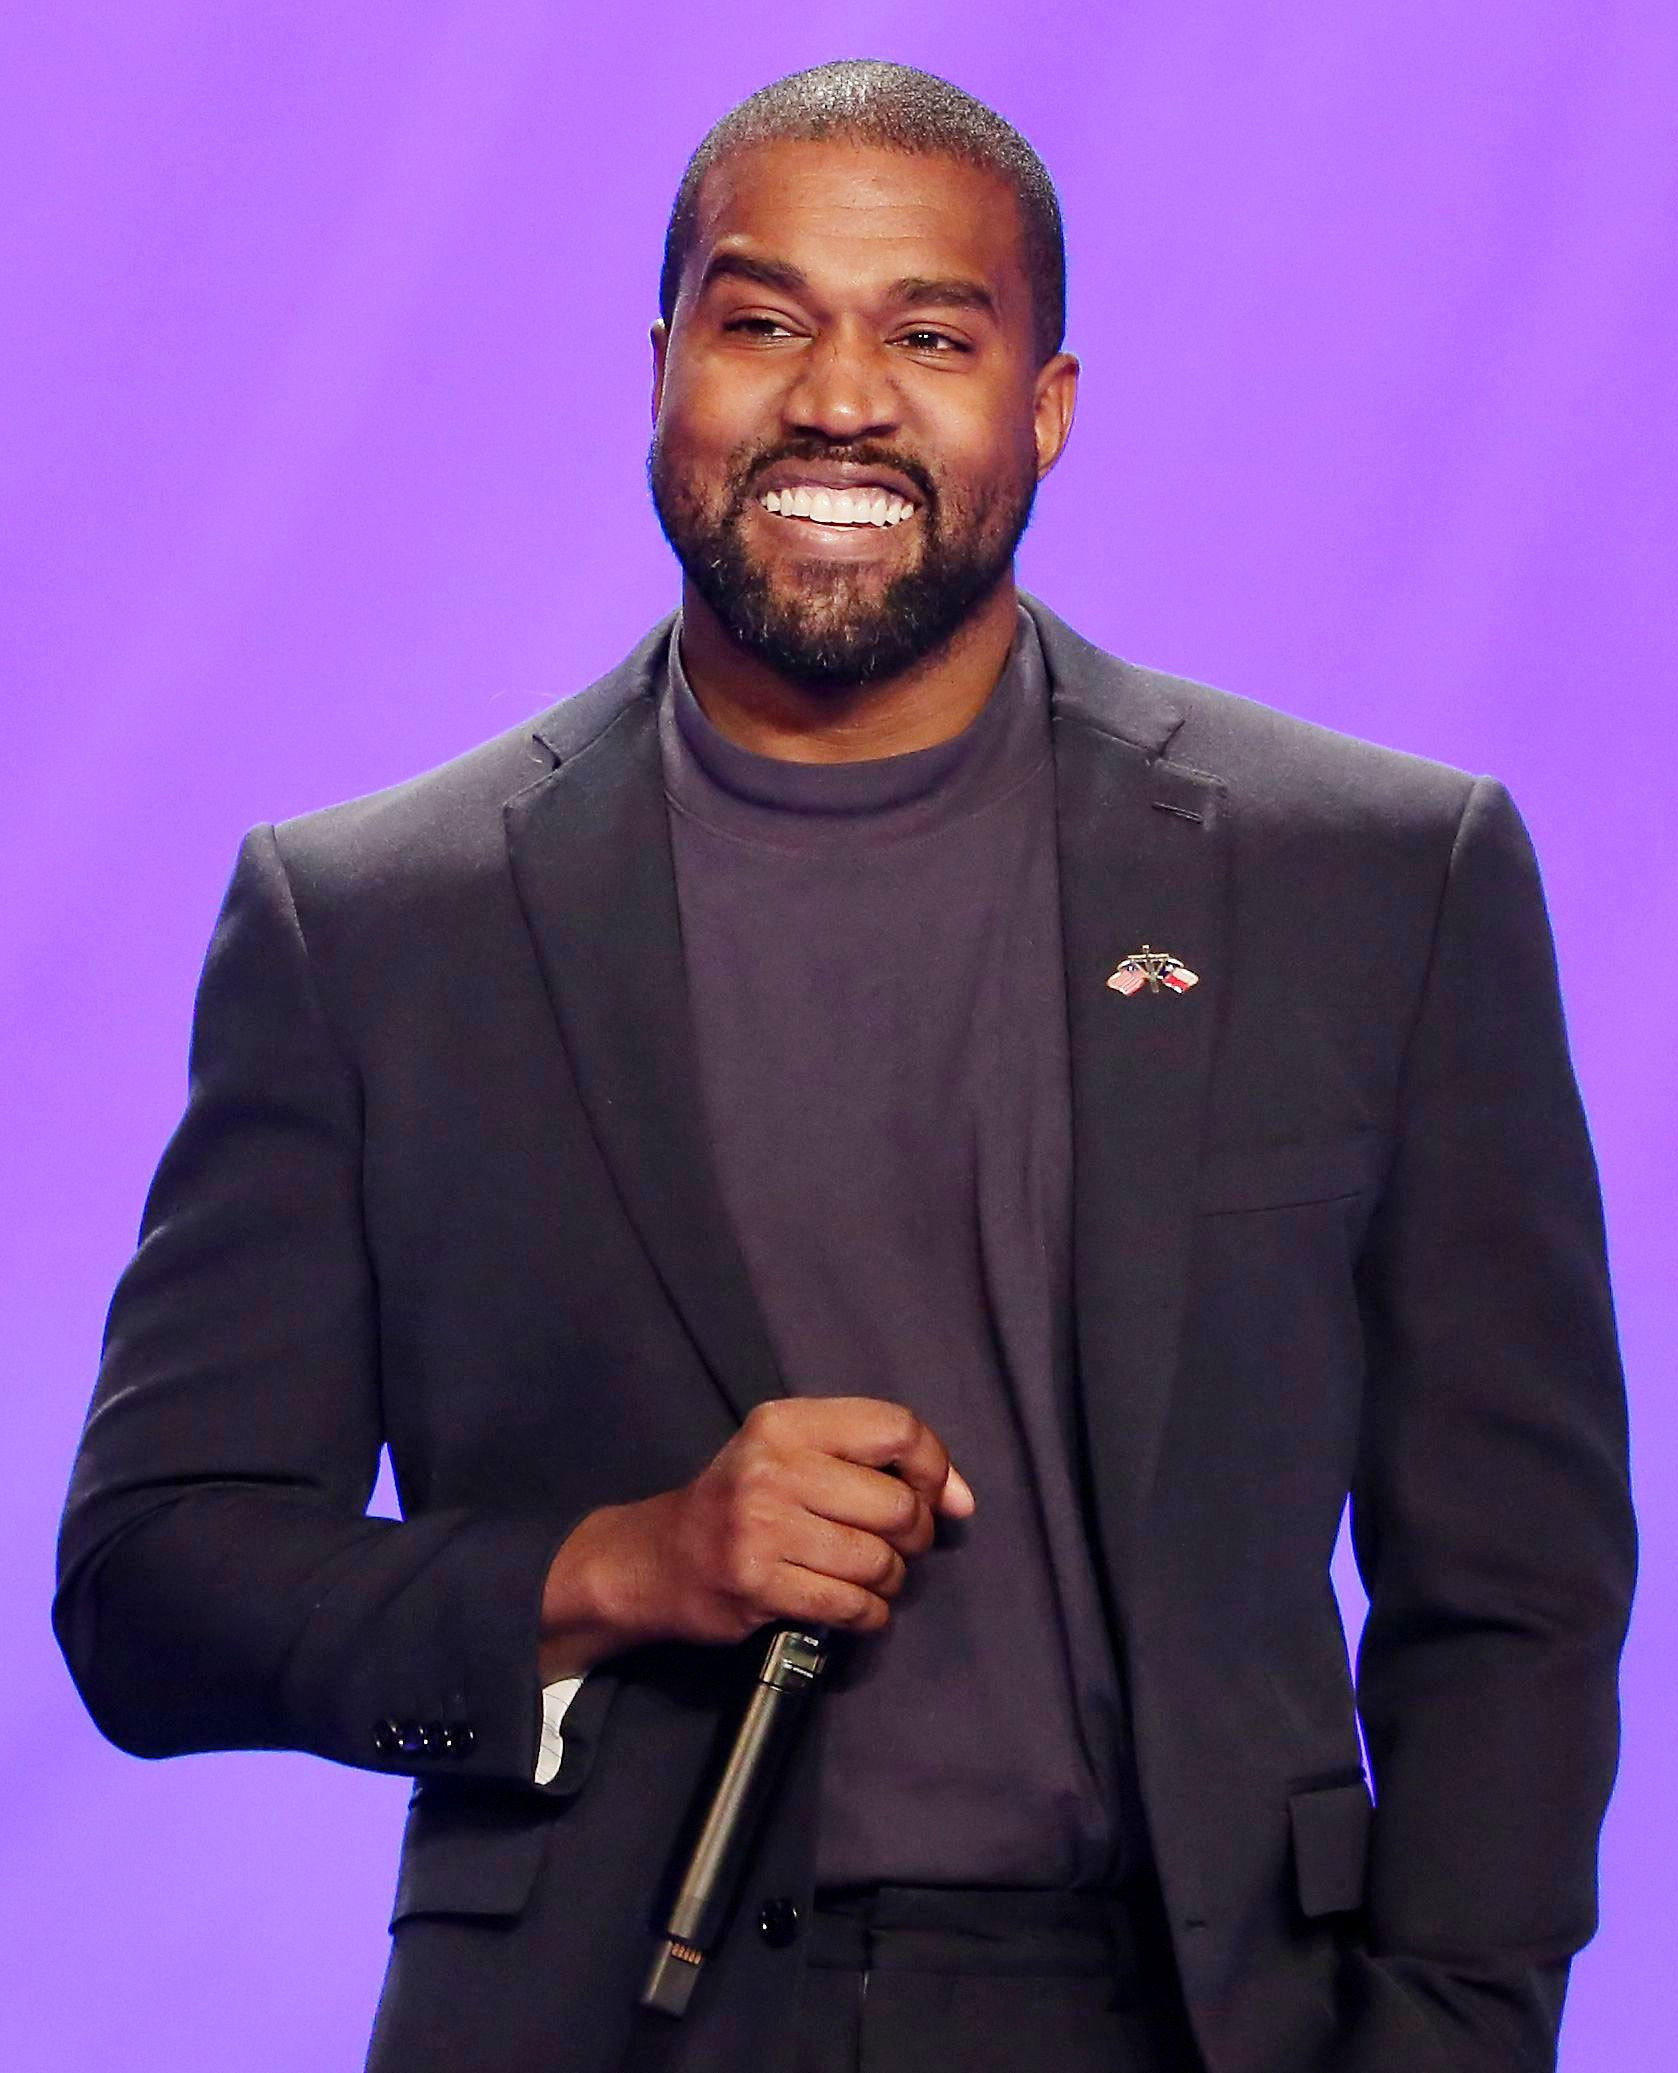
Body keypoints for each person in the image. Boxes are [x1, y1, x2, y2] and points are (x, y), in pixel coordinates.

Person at [54, 59, 1634, 2073]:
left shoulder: (1374, 879)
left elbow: (1512, 1588)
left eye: (932, 337)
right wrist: (617, 1564)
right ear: (660, 371)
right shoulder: (373, 922)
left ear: (1044, 407)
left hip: (1195, 2015)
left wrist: (1444, 2040)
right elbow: (152, 1584)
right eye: (762, 321)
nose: (839, 400)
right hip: (602, 2020)